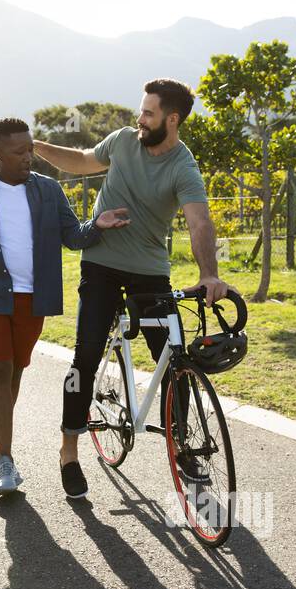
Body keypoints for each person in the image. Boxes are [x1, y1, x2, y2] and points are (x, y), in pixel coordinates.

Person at [32, 78, 233, 500]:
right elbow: (83, 160)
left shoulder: (183, 166)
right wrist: (35, 145)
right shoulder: (123, 141)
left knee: (173, 358)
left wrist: (209, 273)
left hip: (150, 272)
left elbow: (199, 220)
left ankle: (182, 442)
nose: (139, 119)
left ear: (171, 119)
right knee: (85, 354)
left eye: (148, 113)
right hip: (101, 264)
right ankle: (69, 449)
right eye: (141, 110)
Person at [0, 118, 130, 496]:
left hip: (32, 295)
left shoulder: (49, 191)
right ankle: (6, 461)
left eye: (30, 148)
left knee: (16, 369)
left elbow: (74, 237)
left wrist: (97, 224)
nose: (28, 157)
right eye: (19, 152)